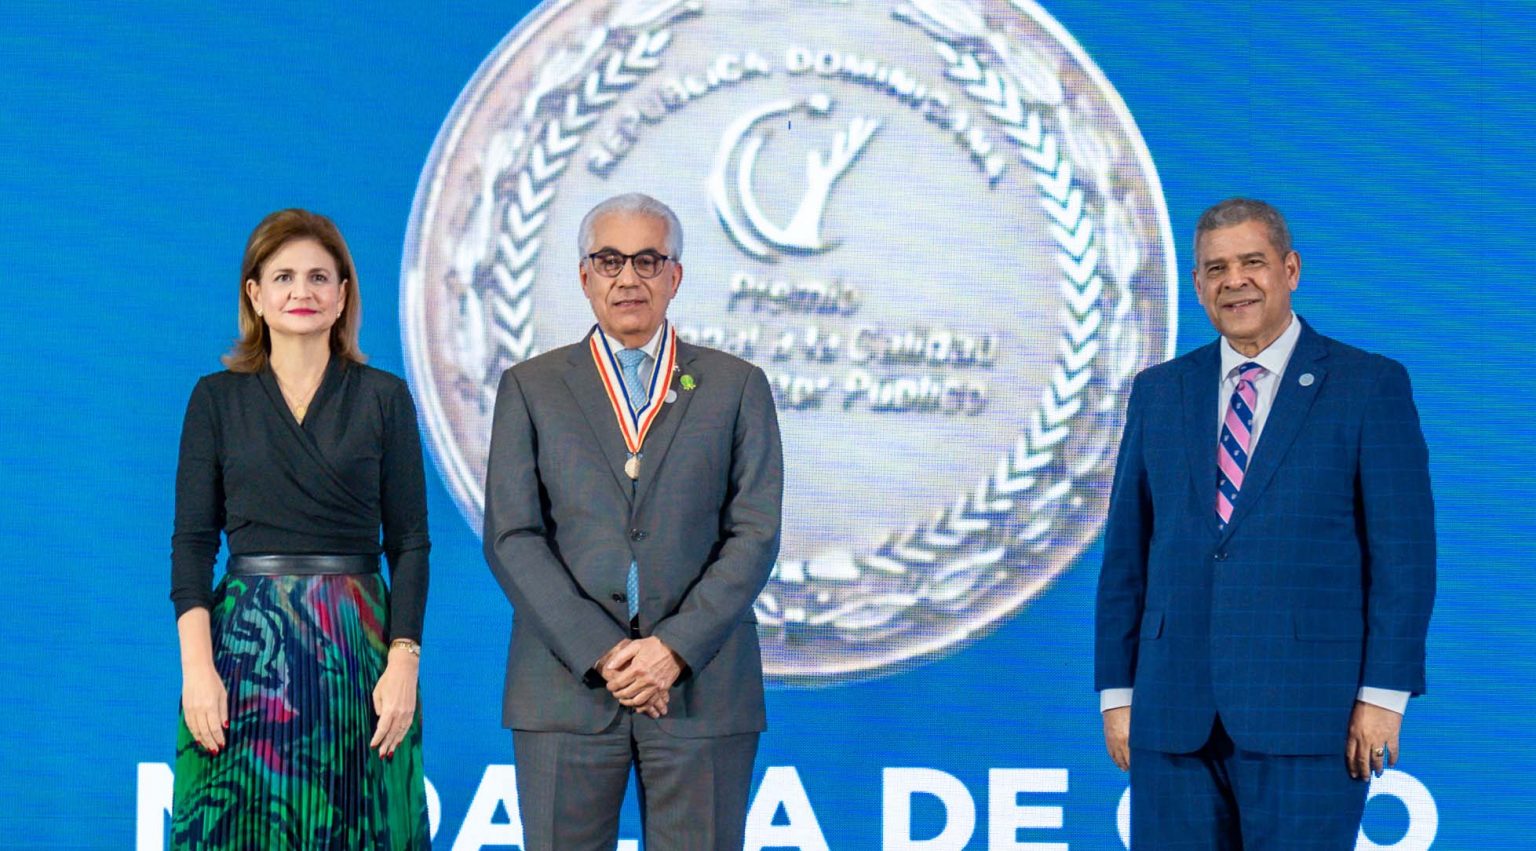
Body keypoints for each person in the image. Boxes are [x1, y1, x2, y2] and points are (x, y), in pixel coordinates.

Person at [1095, 198, 1436, 848]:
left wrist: (1384, 692)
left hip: (1311, 714)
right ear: (1197, 285)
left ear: (1290, 269)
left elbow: (1405, 557)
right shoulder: (1159, 392)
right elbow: (1127, 557)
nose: (1234, 280)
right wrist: (1117, 691)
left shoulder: (1368, 386)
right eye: (1216, 268)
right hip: (1172, 714)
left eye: (1252, 262)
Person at [482, 192, 783, 850]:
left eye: (648, 260)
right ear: (584, 275)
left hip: (700, 691)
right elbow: (511, 536)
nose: (628, 277)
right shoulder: (532, 387)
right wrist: (609, 652)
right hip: (566, 690)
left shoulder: (736, 386)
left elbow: (754, 534)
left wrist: (671, 650)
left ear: (675, 277)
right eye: (610, 259)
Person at [169, 209, 431, 849]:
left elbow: (411, 543)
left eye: (320, 276)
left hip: (358, 651)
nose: (302, 292)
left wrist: (404, 664)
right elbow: (193, 545)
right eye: (282, 276)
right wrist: (197, 672)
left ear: (343, 295)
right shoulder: (216, 398)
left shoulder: (384, 397)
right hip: (244, 655)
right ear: (255, 296)